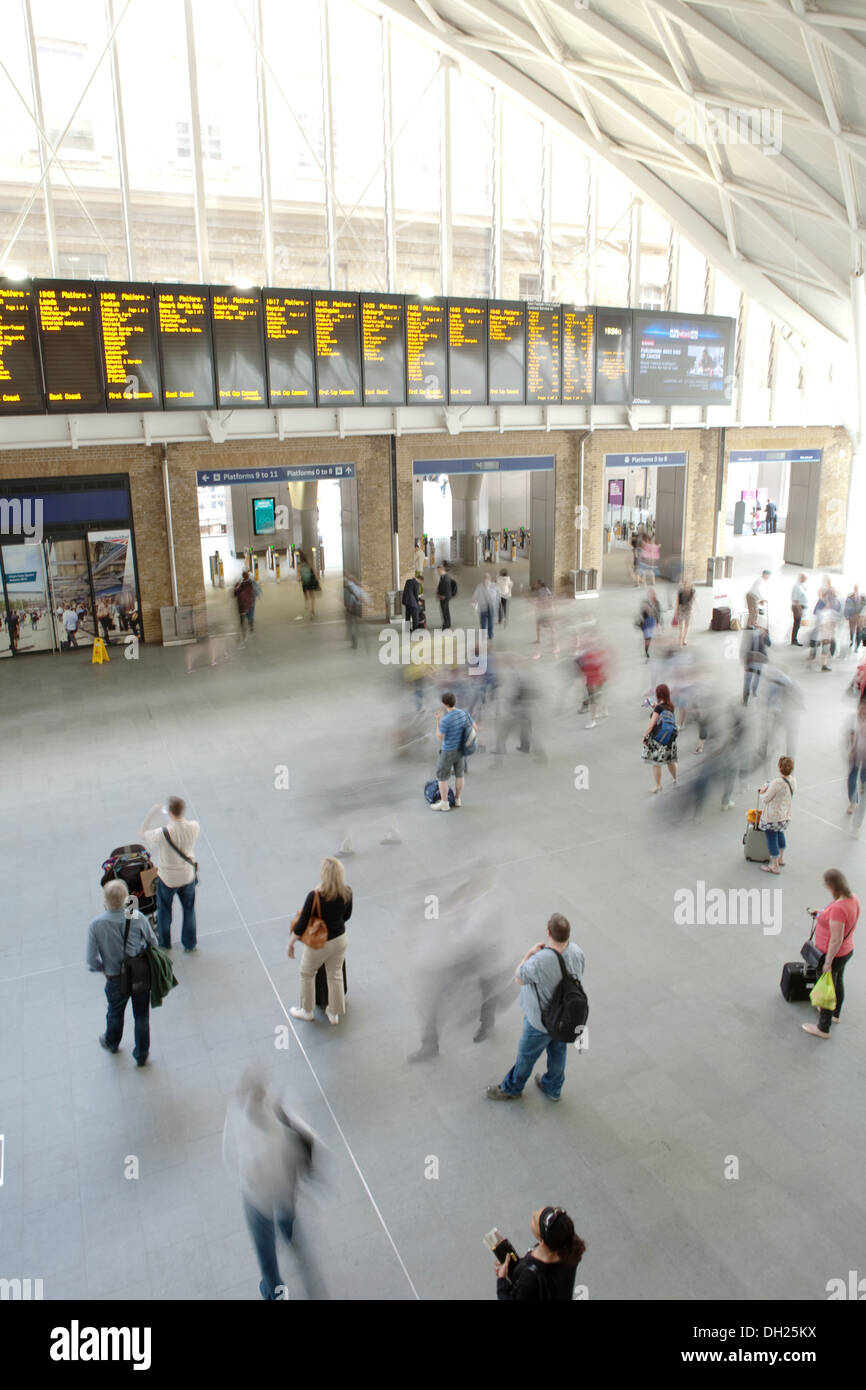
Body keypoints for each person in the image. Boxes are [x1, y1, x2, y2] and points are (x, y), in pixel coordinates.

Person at [222, 1071, 321, 1300]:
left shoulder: (237, 1115)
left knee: (265, 1250)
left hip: (258, 1196)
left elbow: (230, 1156)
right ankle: (287, 1231)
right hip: (285, 1185)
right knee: (286, 1213)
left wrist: (246, 1180)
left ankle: (274, 1291)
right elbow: (306, 1134)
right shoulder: (280, 1104)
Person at [486, 912, 585, 1101]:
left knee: (526, 1055)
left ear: (548, 932)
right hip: (565, 1019)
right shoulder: (577, 952)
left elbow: (519, 977)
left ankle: (512, 1088)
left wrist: (529, 953)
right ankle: (553, 1088)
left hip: (540, 1022)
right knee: (558, 1052)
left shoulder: (540, 960)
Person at [86, 879, 158, 1066]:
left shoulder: (96, 924)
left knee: (115, 1013)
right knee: (141, 1015)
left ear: (105, 901)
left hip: (114, 978)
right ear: (126, 898)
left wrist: (103, 970)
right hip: (139, 973)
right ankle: (141, 1054)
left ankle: (111, 1041)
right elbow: (153, 942)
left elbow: (91, 961)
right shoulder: (136, 916)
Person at [288, 856, 352, 1024]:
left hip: (320, 943)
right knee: (335, 975)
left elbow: (302, 924)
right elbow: (347, 916)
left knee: (307, 973)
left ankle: (306, 1011)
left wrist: (292, 941)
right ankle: (334, 1012)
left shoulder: (315, 895)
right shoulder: (347, 892)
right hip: (340, 939)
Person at [802, 869, 859, 1040]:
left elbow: (836, 939)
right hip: (846, 951)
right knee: (837, 981)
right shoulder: (853, 898)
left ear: (832, 886)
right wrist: (821, 914)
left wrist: (827, 962)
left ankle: (823, 1028)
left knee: (827, 988)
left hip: (832, 954)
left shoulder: (839, 909)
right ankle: (835, 1014)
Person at [140, 797, 200, 952]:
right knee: (189, 910)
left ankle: (165, 942)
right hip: (187, 876)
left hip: (167, 879)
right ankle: (190, 943)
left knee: (164, 910)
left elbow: (142, 833)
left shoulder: (163, 833)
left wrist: (152, 813)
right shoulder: (194, 826)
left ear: (170, 812)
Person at [495, 1206, 586, 1300]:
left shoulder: (529, 1278)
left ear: (542, 1241)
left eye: (535, 1220)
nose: (533, 1213)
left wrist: (501, 1280)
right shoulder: (569, 1252)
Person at [432, 691, 474, 812]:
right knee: (459, 775)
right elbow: (473, 727)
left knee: (442, 777)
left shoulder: (445, 719)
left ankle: (444, 803)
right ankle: (457, 799)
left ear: (445, 704)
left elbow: (440, 737)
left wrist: (437, 720)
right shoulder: (463, 713)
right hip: (461, 750)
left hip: (448, 751)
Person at [757, 755, 795, 874]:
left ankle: (774, 866)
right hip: (785, 815)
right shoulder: (793, 780)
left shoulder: (777, 782)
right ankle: (781, 859)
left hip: (773, 817)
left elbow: (765, 799)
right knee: (780, 833)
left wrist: (762, 791)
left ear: (779, 767)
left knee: (771, 837)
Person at [643, 682, 678, 793]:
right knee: (670, 761)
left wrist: (644, 736)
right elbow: (664, 713)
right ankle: (675, 778)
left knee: (657, 764)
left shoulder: (658, 708)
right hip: (670, 740)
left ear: (658, 694)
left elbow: (651, 725)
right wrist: (655, 707)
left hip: (658, 740)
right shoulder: (671, 706)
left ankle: (658, 785)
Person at [845, 703, 866, 833]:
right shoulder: (854, 719)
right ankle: (853, 801)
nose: (862, 711)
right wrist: (851, 750)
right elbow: (851, 735)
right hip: (855, 755)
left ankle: (856, 825)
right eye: (861, 709)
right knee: (852, 779)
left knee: (863, 786)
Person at [742, 625, 771, 704]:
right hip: (756, 660)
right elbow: (769, 644)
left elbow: (743, 649)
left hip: (754, 660)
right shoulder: (761, 634)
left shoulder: (748, 635)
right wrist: (767, 635)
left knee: (749, 679)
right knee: (755, 677)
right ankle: (752, 692)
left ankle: (747, 695)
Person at [473, 573, 499, 641]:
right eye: (485, 579)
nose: (486, 581)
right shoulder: (482, 586)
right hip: (487, 608)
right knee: (486, 622)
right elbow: (475, 596)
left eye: (487, 579)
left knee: (487, 622)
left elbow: (498, 596)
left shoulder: (492, 586)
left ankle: (487, 635)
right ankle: (487, 635)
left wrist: (474, 602)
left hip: (487, 607)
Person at [637, 589, 661, 660]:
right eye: (651, 595)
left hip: (652, 623)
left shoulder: (657, 603)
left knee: (649, 638)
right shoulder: (645, 603)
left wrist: (658, 622)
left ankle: (647, 647)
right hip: (646, 623)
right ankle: (646, 651)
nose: (653, 596)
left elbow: (658, 613)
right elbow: (642, 613)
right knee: (647, 638)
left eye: (654, 594)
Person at [233, 569, 255, 643]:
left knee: (243, 620)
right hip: (248, 605)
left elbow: (235, 594)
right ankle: (249, 625)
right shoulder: (249, 584)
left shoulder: (241, 585)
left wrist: (236, 587)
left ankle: (244, 635)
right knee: (249, 616)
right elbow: (252, 594)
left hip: (242, 606)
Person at [673, 578, 696, 647]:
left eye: (689, 584)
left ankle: (684, 638)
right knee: (681, 625)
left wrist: (695, 608)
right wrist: (675, 611)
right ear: (684, 585)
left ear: (691, 585)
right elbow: (677, 601)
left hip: (688, 609)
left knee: (687, 625)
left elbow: (693, 599)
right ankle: (681, 634)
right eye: (686, 584)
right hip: (681, 608)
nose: (687, 586)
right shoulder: (680, 591)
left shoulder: (692, 591)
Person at [297, 550, 320, 618]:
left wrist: (300, 578)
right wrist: (317, 581)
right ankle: (312, 611)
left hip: (305, 583)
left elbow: (298, 577)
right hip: (310, 582)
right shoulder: (309, 564)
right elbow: (315, 573)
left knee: (307, 597)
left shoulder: (300, 566)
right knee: (312, 597)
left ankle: (307, 606)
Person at [844, 585, 864, 649]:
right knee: (852, 630)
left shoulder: (862, 597)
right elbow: (847, 606)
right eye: (856, 588)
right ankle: (852, 642)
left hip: (859, 617)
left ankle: (857, 645)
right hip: (853, 616)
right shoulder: (850, 597)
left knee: (858, 631)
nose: (857, 589)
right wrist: (846, 615)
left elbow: (864, 606)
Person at [436, 564, 455, 630]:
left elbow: (447, 588)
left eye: (438, 571)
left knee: (445, 611)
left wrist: (443, 596)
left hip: (445, 597)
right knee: (445, 610)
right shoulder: (443, 576)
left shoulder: (445, 578)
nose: (437, 572)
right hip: (443, 597)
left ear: (442, 570)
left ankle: (446, 625)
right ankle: (447, 623)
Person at [791, 573, 808, 646]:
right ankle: (794, 640)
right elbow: (795, 599)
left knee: (798, 624)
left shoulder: (801, 585)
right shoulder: (797, 586)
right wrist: (799, 608)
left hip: (800, 607)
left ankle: (794, 639)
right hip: (798, 607)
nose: (806, 579)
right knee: (796, 624)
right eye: (804, 578)